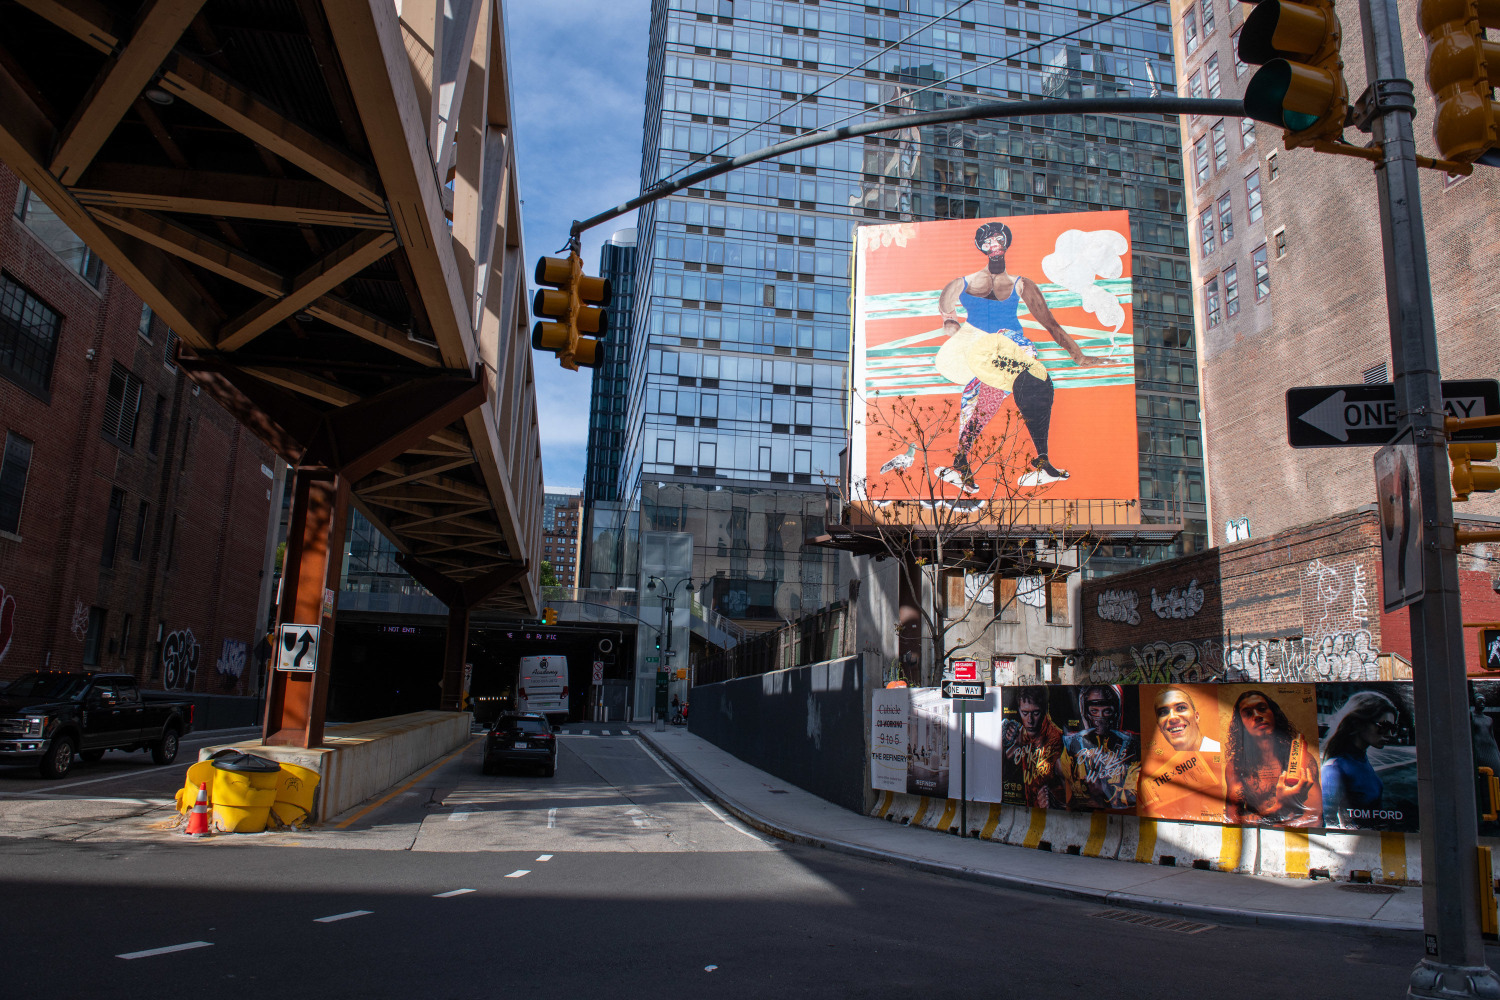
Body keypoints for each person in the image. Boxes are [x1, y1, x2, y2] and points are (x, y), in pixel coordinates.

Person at [931, 221, 1126, 493]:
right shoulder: (963, 282)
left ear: (1006, 242)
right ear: (982, 247)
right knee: (977, 400)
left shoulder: (1021, 284)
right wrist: (951, 323)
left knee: (1036, 383)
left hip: (1011, 345)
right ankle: (961, 462)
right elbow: (946, 306)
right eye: (988, 242)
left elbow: (1051, 324)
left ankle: (1042, 462)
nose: (994, 245)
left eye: (999, 239)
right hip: (982, 352)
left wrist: (1078, 355)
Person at [1225, 690, 1321, 827]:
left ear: (1273, 714)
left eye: (1262, 709)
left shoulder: (1301, 759)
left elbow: (1315, 818)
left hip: (1292, 838)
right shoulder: (1236, 765)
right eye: (1248, 713)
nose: (1257, 716)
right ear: (1242, 725)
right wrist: (1278, 807)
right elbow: (1233, 819)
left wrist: (1271, 826)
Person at [1139, 687, 1225, 823]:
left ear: (1196, 717)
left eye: (1180, 708)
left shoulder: (1221, 752)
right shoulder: (1159, 768)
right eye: (1163, 712)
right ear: (1159, 726)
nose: (1172, 717)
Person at [1320, 690, 1400, 826]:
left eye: (1393, 728)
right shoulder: (1335, 768)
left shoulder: (1361, 759)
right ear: (1358, 722)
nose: (1390, 734)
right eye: (1384, 726)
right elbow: (1327, 823)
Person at [1059, 684, 1140, 811]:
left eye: (1106, 711)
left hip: (1119, 815)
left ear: (1115, 712)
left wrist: (1107, 791)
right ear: (1086, 713)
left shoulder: (1130, 745)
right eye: (1094, 711)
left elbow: (1133, 795)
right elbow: (1066, 785)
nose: (1100, 718)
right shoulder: (1072, 744)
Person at [1001, 686, 1067, 809]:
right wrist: (1013, 745)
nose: (1030, 720)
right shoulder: (1022, 733)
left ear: (1044, 710)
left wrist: (1056, 803)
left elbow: (1073, 796)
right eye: (1024, 713)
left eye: (1035, 713)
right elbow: (1001, 771)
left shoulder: (1057, 740)